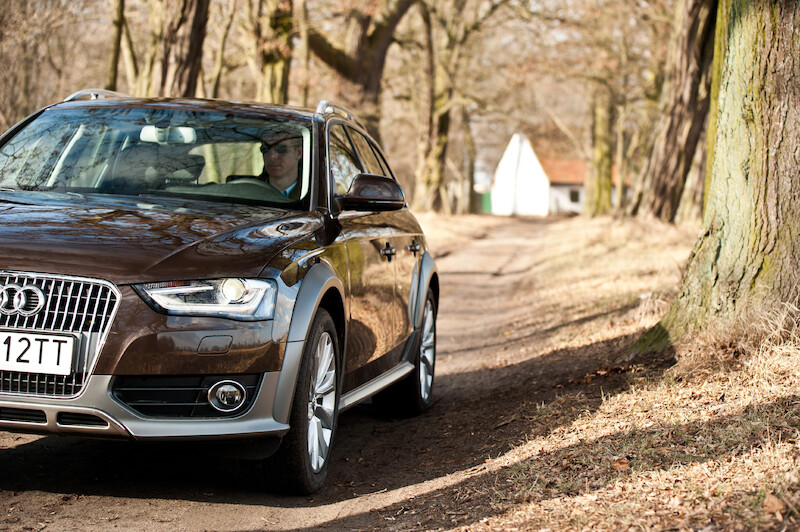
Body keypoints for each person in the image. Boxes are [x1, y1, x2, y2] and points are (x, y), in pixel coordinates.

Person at [258, 134, 303, 199]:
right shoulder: (248, 192)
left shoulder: (314, 194)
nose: (272, 156)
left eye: (281, 148)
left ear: (299, 153)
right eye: (265, 149)